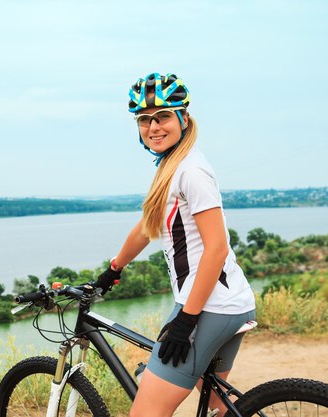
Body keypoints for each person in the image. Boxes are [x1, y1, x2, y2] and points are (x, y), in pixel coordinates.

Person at [95, 73, 256, 417]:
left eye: (163, 116)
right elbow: (146, 226)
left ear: (183, 118)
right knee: (216, 408)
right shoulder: (173, 166)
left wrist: (186, 320)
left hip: (207, 307)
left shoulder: (191, 172)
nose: (153, 126)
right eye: (144, 120)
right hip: (228, 303)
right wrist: (113, 269)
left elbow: (216, 249)